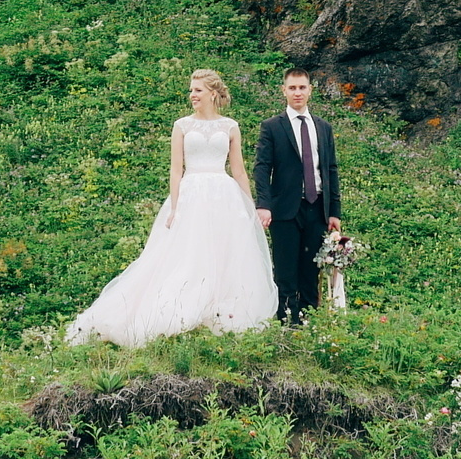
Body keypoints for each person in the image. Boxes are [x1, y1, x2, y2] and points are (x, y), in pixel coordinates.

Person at [65, 69, 278, 347]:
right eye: (191, 90)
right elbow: (176, 169)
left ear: (213, 93)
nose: (192, 95)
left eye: (198, 90)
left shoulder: (230, 126)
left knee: (225, 255)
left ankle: (219, 312)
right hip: (191, 193)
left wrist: (250, 205)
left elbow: (238, 171)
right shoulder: (182, 126)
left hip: (223, 194)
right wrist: (175, 207)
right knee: (187, 254)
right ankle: (176, 311)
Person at [253, 66, 341, 325]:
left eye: (302, 87)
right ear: (284, 91)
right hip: (285, 208)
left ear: (310, 90)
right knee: (285, 269)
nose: (298, 92)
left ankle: (309, 321)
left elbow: (331, 168)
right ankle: (285, 322)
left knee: (311, 268)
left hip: (317, 207)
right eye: (292, 88)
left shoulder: (323, 128)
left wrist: (334, 210)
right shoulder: (272, 127)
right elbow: (262, 167)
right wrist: (264, 205)